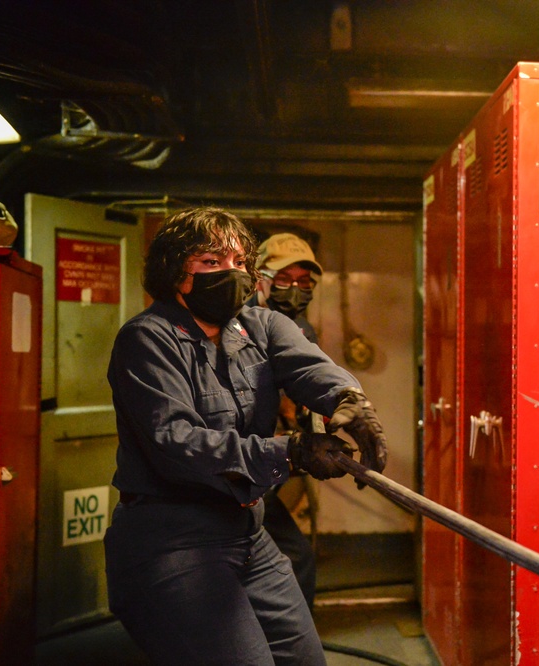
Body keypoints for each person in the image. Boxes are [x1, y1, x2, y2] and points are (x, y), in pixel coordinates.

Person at [103, 207, 387, 666]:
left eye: (239, 263)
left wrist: (350, 402)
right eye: (212, 262)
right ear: (176, 271)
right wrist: (291, 452)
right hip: (174, 542)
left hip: (247, 533)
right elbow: (176, 442)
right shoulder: (146, 340)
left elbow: (310, 367)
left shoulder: (261, 325)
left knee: (304, 659)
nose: (230, 273)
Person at [253, 232, 325, 610]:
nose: (295, 290)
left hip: (266, 459)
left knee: (294, 557)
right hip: (233, 466)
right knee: (294, 557)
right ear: (259, 277)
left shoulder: (301, 327)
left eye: (303, 282)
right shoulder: (235, 324)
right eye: (284, 280)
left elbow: (310, 381)